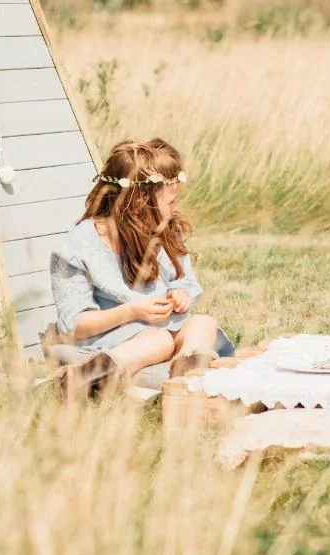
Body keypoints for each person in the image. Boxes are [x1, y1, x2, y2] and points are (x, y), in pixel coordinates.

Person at [48, 138, 232, 400]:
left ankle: (187, 375)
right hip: (112, 335)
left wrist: (180, 295)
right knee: (160, 340)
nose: (176, 208)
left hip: (164, 328)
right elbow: (74, 324)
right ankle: (93, 375)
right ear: (137, 205)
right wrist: (132, 310)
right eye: (171, 201)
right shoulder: (78, 246)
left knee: (204, 323)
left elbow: (183, 280)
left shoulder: (165, 232)